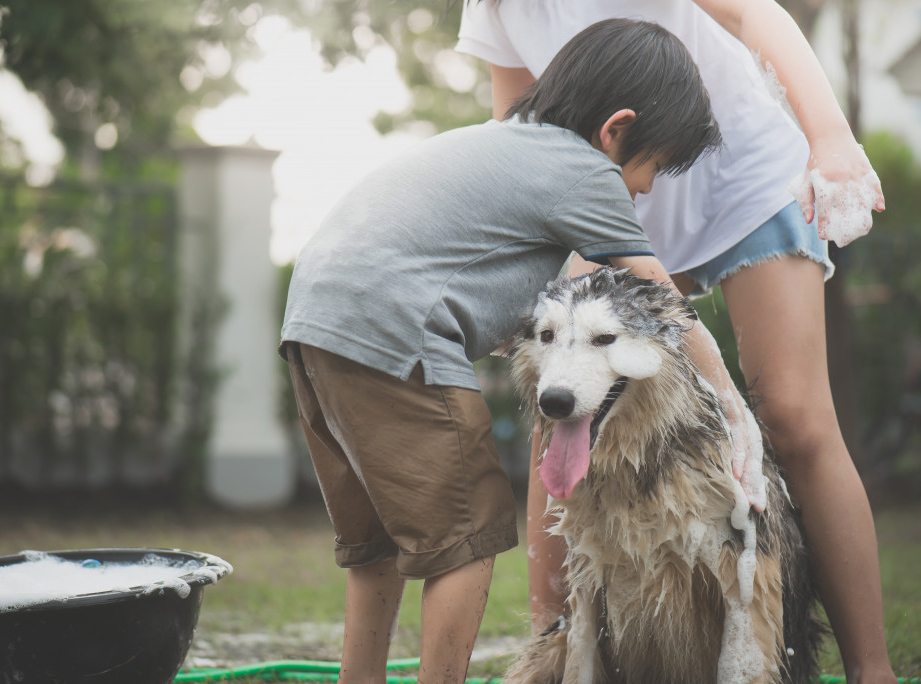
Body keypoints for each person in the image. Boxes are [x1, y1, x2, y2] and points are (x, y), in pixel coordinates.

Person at [457, 1, 896, 682]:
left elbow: (758, 15)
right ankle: (554, 652)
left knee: (793, 416)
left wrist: (830, 137)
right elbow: (515, 124)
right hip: (610, 198)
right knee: (567, 405)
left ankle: (873, 671)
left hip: (740, 178)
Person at [280, 18, 729, 684]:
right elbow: (664, 306)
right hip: (399, 326)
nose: (644, 191)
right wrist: (731, 410)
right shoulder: (583, 171)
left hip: (315, 320)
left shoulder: (504, 145)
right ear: (616, 130)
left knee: (376, 543)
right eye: (653, 168)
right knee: (468, 536)